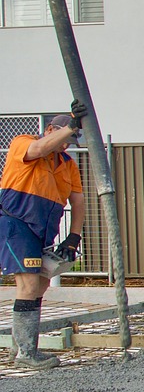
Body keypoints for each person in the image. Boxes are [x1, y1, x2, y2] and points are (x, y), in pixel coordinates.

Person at [1, 103, 89, 369]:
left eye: (70, 141)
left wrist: (74, 237)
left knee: (39, 286)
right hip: (17, 224)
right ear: (50, 130)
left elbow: (79, 200)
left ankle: (20, 349)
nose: (66, 145)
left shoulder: (66, 164)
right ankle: (27, 354)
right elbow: (38, 149)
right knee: (28, 285)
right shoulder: (24, 143)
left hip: (42, 230)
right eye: (64, 138)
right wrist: (72, 124)